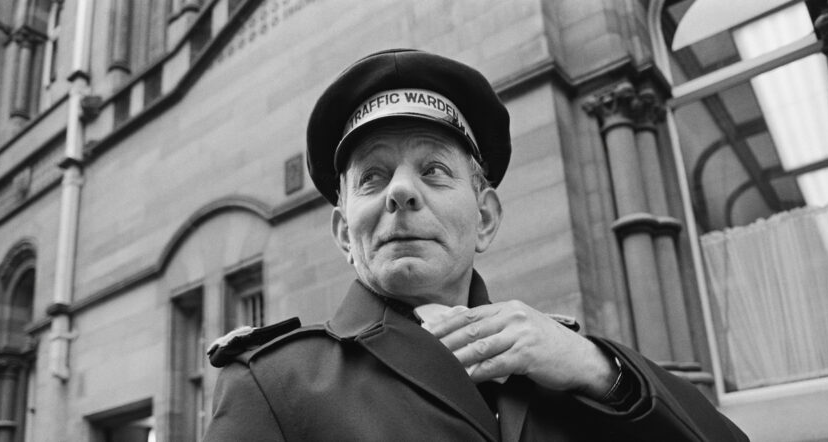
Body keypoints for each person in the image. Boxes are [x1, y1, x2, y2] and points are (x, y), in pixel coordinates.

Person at [202, 48, 748, 441]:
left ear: (484, 217)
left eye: (434, 170)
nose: (400, 193)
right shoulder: (274, 383)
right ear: (346, 232)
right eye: (373, 177)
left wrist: (600, 371)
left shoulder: (561, 364)